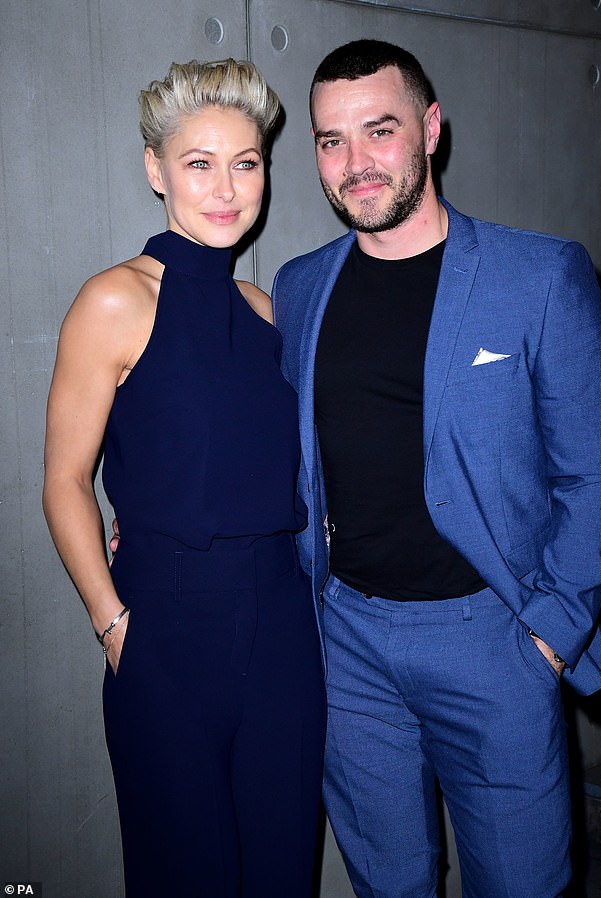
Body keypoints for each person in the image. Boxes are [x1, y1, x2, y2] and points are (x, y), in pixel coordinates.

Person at [272, 39, 601, 898]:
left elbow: (596, 474)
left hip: (492, 638)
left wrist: (551, 629)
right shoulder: (299, 287)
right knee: (386, 883)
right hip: (346, 645)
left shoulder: (540, 276)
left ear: (430, 128)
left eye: (379, 131)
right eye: (330, 141)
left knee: (523, 882)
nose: (354, 164)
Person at [43, 58, 325, 898]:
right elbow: (64, 482)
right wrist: (112, 624)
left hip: (282, 628)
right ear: (155, 170)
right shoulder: (113, 301)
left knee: (282, 871)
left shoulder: (267, 309)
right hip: (164, 629)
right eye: (200, 163)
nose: (228, 187)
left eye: (247, 163)